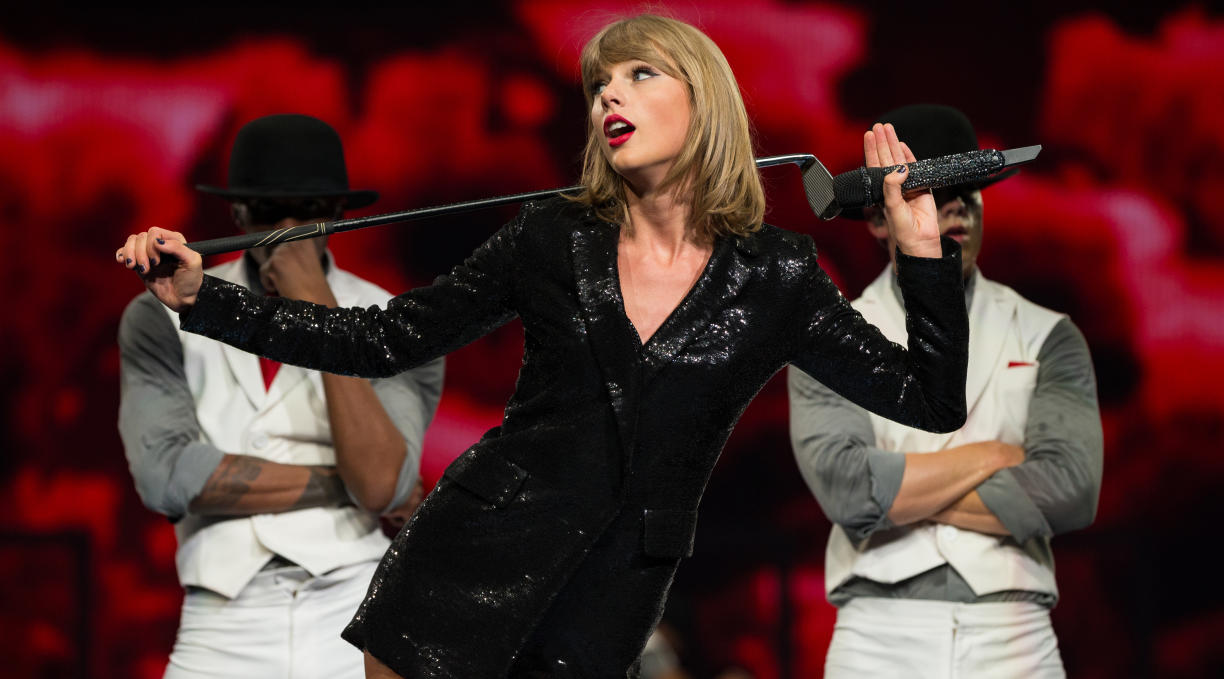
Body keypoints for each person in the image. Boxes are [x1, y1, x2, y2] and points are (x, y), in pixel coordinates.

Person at [117, 16, 969, 678]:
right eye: (599, 82)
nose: (608, 95)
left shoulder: (777, 273)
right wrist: (204, 296)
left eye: (639, 74)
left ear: (703, 100)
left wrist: (922, 258)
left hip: (609, 595)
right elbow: (384, 337)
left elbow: (927, 397)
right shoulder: (553, 235)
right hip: (460, 566)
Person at [117, 114, 445, 679]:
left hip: (354, 608)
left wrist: (315, 302)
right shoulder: (159, 312)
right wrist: (337, 485)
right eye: (269, 210)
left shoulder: (398, 322)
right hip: (219, 619)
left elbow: (379, 481)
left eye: (310, 210)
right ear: (238, 211)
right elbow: (167, 475)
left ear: (338, 214)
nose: (288, 229)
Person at [788, 104, 1104, 679]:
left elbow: (1069, 492)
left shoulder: (1048, 333)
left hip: (1016, 638)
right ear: (879, 221)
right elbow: (848, 491)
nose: (956, 204)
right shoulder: (826, 337)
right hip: (876, 640)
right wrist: (992, 457)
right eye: (929, 191)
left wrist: (899, 496)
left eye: (970, 189)